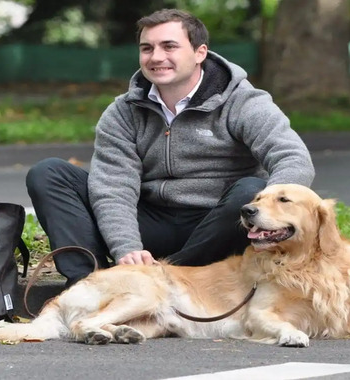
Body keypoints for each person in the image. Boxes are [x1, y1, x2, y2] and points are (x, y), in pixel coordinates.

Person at [26, 8, 315, 287]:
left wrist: (270, 212)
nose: (157, 57)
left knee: (250, 189)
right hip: (150, 219)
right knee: (49, 173)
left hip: (219, 223)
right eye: (147, 48)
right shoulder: (123, 111)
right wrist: (127, 247)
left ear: (199, 52)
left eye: (169, 46)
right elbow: (113, 187)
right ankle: (89, 284)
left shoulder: (243, 102)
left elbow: (292, 158)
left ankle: (168, 278)